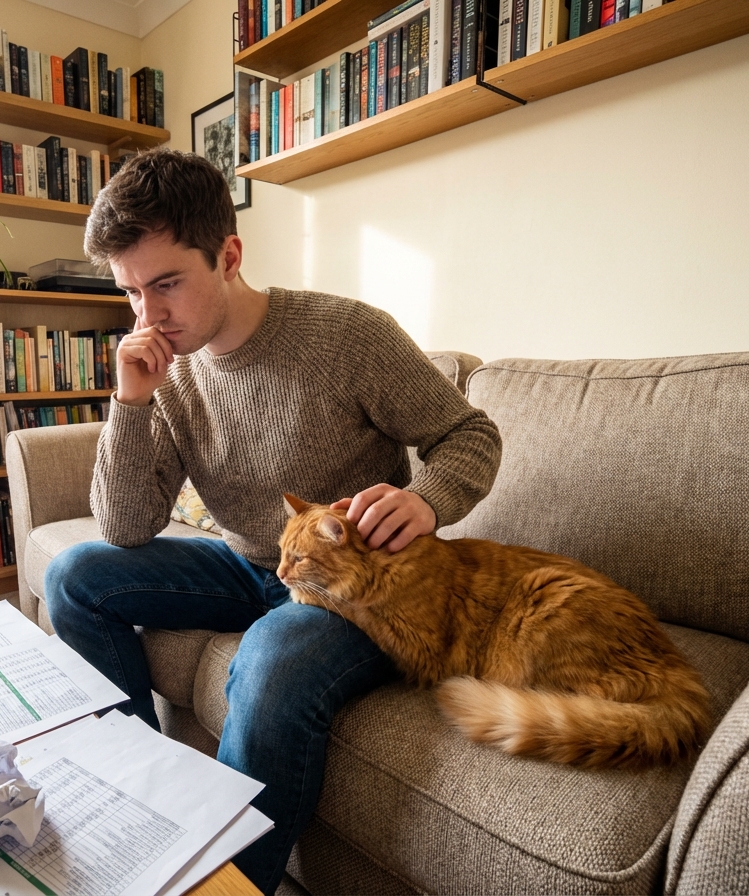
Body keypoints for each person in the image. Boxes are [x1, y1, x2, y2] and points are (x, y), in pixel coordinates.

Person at [43, 148, 502, 894]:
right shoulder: (171, 369)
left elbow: (470, 436)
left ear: (229, 254)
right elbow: (125, 527)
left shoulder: (349, 336)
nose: (147, 317)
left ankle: (220, 887)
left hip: (354, 588)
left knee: (270, 662)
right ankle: (140, 797)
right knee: (76, 575)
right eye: (130, 293)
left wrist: (426, 500)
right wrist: (129, 405)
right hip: (249, 562)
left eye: (166, 284)